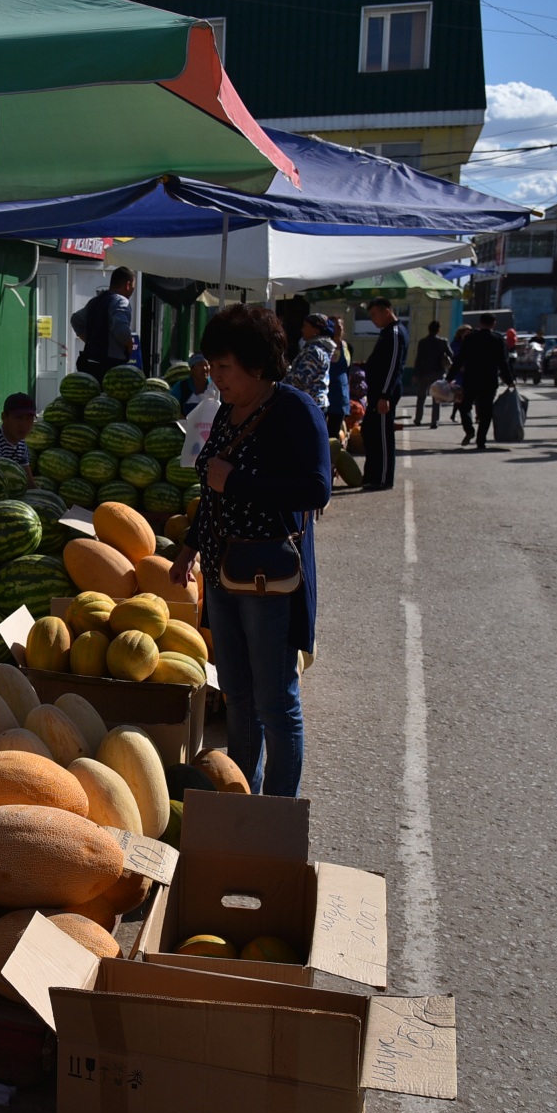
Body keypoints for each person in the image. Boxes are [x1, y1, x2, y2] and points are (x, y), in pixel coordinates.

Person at [169, 305, 330, 796]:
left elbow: (316, 489)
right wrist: (190, 547)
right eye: (212, 366)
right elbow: (213, 491)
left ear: (257, 366)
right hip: (223, 575)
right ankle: (241, 798)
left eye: (224, 367)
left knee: (275, 702)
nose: (215, 377)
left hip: (268, 579)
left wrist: (239, 480)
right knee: (236, 696)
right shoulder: (226, 411)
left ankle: (276, 812)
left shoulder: (295, 410)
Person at [359, 297, 407, 490]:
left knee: (383, 436)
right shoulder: (386, 333)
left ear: (386, 311)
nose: (372, 319)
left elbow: (394, 367)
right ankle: (372, 475)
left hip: (384, 393)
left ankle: (383, 478)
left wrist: (385, 395)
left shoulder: (395, 333)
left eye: (374, 315)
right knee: (370, 431)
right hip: (376, 392)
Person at [450, 313, 514, 450]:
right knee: (486, 412)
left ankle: (469, 429)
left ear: (480, 323)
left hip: (471, 379)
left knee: (464, 406)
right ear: (494, 323)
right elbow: (503, 362)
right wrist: (509, 380)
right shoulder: (497, 339)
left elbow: (460, 359)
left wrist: (449, 378)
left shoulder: (470, 338)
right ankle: (481, 441)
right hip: (489, 380)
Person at [70, 267, 135, 378]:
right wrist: (129, 345)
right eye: (133, 286)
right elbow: (121, 331)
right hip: (111, 368)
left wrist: (89, 340)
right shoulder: (121, 301)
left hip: (89, 365)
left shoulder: (95, 301)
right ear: (128, 285)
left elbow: (75, 319)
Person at [286, 315, 334, 414]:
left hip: (310, 404)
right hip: (315, 403)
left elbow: (299, 380)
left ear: (315, 330)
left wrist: (278, 383)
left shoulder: (314, 351)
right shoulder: (320, 349)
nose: (302, 330)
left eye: (305, 326)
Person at [411, 319, 450, 428]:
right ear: (438, 330)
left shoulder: (422, 342)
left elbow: (418, 359)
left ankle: (418, 419)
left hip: (424, 373)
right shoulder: (443, 342)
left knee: (421, 397)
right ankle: (434, 421)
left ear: (428, 329)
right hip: (438, 373)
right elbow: (451, 354)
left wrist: (415, 374)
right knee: (436, 398)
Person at [325, 318, 352, 440]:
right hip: (327, 392)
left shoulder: (347, 347)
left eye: (341, 325)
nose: (339, 328)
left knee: (334, 431)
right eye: (336, 326)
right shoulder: (325, 347)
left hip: (341, 393)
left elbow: (348, 370)